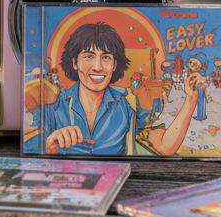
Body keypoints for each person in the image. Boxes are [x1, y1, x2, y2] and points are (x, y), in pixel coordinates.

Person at [42, 20, 203, 156]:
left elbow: (165, 146)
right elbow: (32, 152)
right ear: (75, 63)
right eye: (89, 56)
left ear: (114, 65)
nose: (98, 67)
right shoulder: (52, 106)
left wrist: (191, 98)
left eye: (106, 57)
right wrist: (48, 147)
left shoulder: (129, 103)